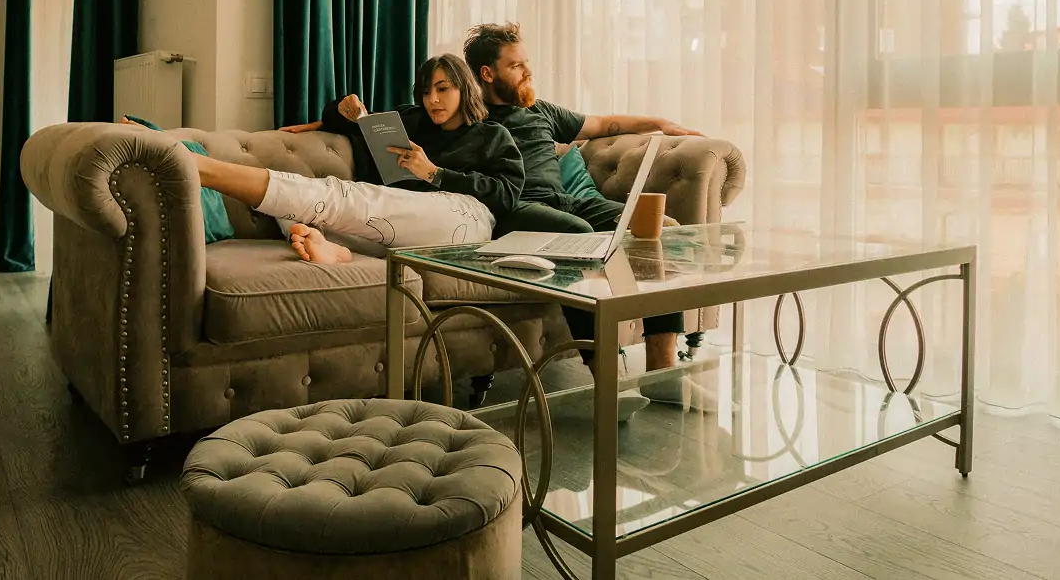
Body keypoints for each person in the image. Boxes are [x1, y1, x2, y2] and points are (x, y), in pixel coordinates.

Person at [463, 22, 713, 413]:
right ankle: (609, 385)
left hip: (567, 202)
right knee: (579, 237)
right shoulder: (469, 119)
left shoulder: (541, 111)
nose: (528, 71)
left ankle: (663, 374)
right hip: (518, 210)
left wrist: (659, 123)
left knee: (658, 229)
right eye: (516, 65)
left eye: (526, 62)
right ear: (487, 73)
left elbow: (604, 123)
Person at [167, 54, 525, 263]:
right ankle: (335, 248)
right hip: (403, 221)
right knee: (299, 210)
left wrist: (434, 173)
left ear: (464, 87)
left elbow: (507, 195)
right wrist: (342, 108)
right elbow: (351, 124)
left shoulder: (492, 135)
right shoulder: (413, 120)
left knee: (351, 198)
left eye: (442, 89)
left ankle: (201, 167)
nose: (432, 99)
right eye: (426, 91)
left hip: (465, 218)